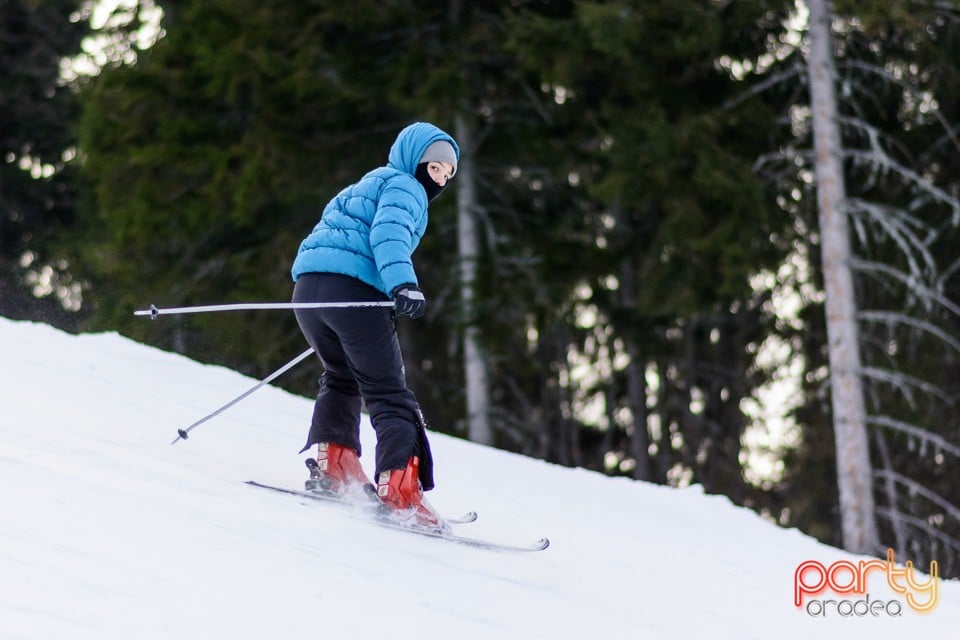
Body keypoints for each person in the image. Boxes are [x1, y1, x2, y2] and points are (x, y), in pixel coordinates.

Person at [290, 122, 459, 531]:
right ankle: (400, 488)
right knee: (388, 392)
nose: (438, 180)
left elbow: (332, 231)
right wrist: (403, 282)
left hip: (308, 293)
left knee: (342, 376)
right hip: (354, 294)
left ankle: (337, 463)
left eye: (446, 174)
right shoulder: (405, 187)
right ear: (413, 159)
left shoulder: (364, 185)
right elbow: (389, 233)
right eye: (434, 167)